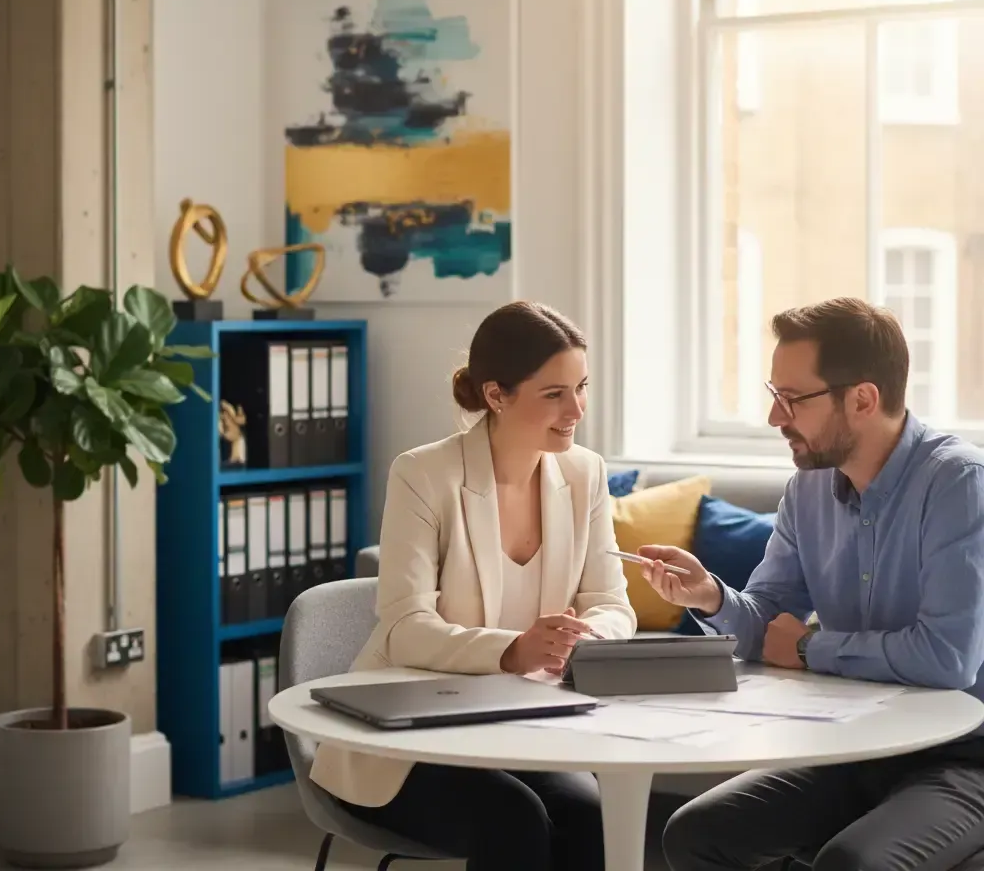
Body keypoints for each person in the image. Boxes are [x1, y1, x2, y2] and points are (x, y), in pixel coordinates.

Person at [634, 297, 984, 871]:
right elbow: (765, 619)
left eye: (792, 399)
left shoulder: (958, 484)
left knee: (853, 863)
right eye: (774, 396)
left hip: (962, 758)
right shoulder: (808, 488)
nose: (776, 418)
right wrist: (712, 597)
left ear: (863, 399)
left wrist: (806, 647)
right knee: (695, 833)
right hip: (853, 746)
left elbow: (946, 659)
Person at [309, 300, 636, 871]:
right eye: (555, 393)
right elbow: (406, 628)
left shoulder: (585, 473)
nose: (577, 409)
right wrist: (512, 649)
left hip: (526, 729)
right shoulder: (423, 474)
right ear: (495, 395)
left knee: (589, 817)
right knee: (513, 822)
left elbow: (612, 604)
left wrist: (583, 637)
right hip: (411, 743)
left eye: (581, 387)